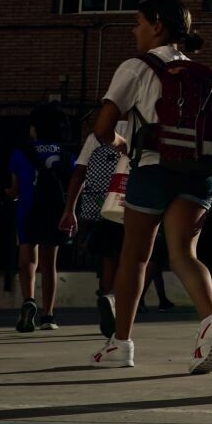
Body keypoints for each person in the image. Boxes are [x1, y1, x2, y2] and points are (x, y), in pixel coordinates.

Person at [78, 0, 212, 372]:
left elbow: (102, 129)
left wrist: (122, 144)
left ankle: (121, 345)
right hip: (200, 172)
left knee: (135, 256)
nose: (134, 31)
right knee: (184, 253)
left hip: (153, 169)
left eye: (138, 22)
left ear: (157, 26)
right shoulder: (202, 72)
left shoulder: (136, 67)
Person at [59, 105, 126, 338]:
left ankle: (108, 295)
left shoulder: (97, 137)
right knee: (136, 258)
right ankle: (122, 303)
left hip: (103, 208)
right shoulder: (145, 131)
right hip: (136, 205)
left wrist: (70, 209)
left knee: (108, 255)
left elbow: (79, 173)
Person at [7, 102, 72, 331]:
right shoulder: (65, 154)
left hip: (28, 211)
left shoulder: (20, 153)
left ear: (34, 128)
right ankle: (49, 315)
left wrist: (10, 193)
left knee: (27, 261)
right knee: (49, 264)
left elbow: (15, 190)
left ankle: (28, 301)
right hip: (55, 212)